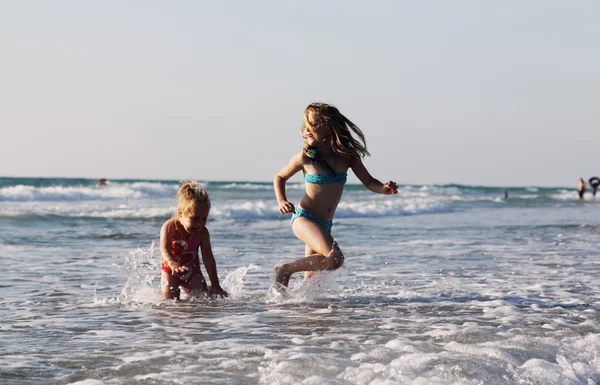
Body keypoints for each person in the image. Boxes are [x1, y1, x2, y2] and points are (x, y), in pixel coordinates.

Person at [273, 102, 398, 288]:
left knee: (311, 282)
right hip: (304, 218)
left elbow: (370, 182)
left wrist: (384, 189)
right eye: (306, 125)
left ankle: (285, 304)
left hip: (325, 224)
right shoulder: (305, 157)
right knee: (335, 258)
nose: (308, 130)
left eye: (314, 125)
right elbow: (280, 176)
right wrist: (282, 200)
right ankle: (285, 268)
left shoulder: (348, 156)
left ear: (330, 127)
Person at [160, 182, 228, 300]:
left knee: (201, 301)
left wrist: (215, 284)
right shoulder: (169, 227)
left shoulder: (203, 233)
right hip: (170, 271)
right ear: (181, 213)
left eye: (204, 218)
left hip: (193, 272)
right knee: (169, 304)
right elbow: (164, 249)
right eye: (195, 218)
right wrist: (172, 263)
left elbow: (208, 258)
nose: (199, 223)